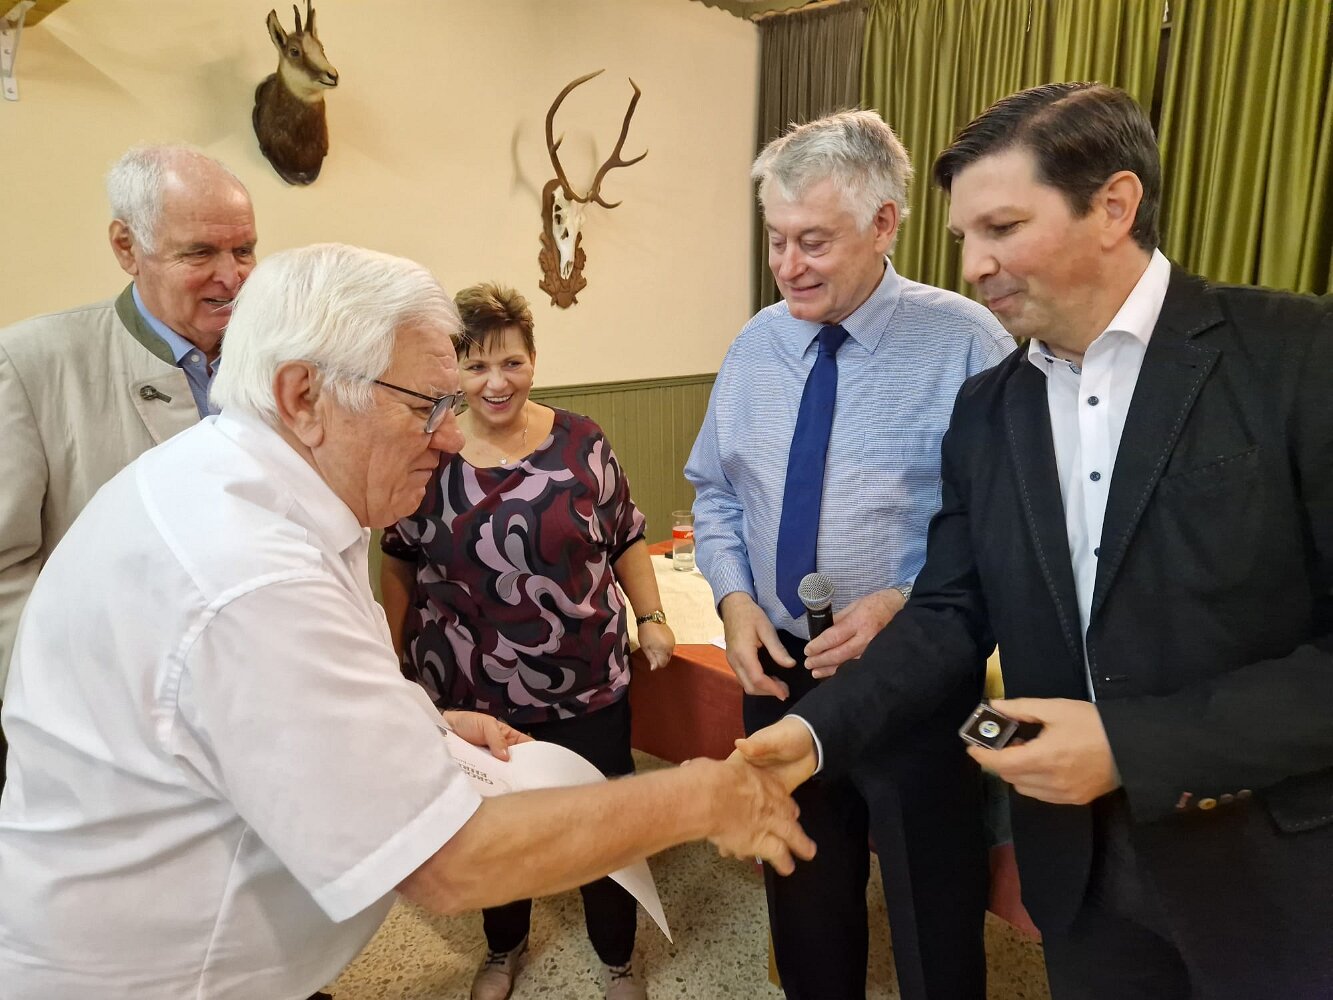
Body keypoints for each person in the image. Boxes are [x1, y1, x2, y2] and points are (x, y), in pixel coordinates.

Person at [0, 243, 814, 1000]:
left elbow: (266, 717)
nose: (451, 436)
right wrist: (703, 796)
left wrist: (422, 722)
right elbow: (450, 865)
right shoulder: (249, 575)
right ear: (303, 396)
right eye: (427, 406)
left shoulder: (237, 484)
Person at [740, 83, 1333, 1000]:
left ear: (1114, 206)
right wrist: (812, 734)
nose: (973, 265)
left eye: (1002, 228)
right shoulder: (989, 408)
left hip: (1271, 869)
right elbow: (948, 611)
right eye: (963, 237)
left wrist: (1134, 746)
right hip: (1078, 876)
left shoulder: (1297, 355)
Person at [685, 110, 1013, 1000]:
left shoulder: (968, 343)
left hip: (912, 677)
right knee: (803, 901)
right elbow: (715, 493)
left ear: (883, 224)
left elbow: (1003, 528)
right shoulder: (755, 344)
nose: (788, 266)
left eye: (814, 242)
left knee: (931, 912)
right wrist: (733, 601)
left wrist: (903, 599)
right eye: (776, 240)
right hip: (780, 672)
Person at [380, 282, 675, 1000]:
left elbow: (626, 535)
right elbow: (398, 559)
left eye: (511, 362)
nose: (496, 382)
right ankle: (502, 948)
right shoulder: (432, 451)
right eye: (476, 365)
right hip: (469, 693)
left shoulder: (581, 442)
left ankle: (618, 960)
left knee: (603, 828)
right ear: (454, 371)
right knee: (495, 830)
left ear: (533, 361)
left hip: (585, 682)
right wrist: (390, 656)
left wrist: (652, 615)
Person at [0, 143, 256, 692]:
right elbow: (6, 570)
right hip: (100, 695)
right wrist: (59, 698)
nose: (232, 276)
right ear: (127, 246)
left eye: (244, 250)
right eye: (200, 253)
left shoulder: (279, 360)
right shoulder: (29, 364)